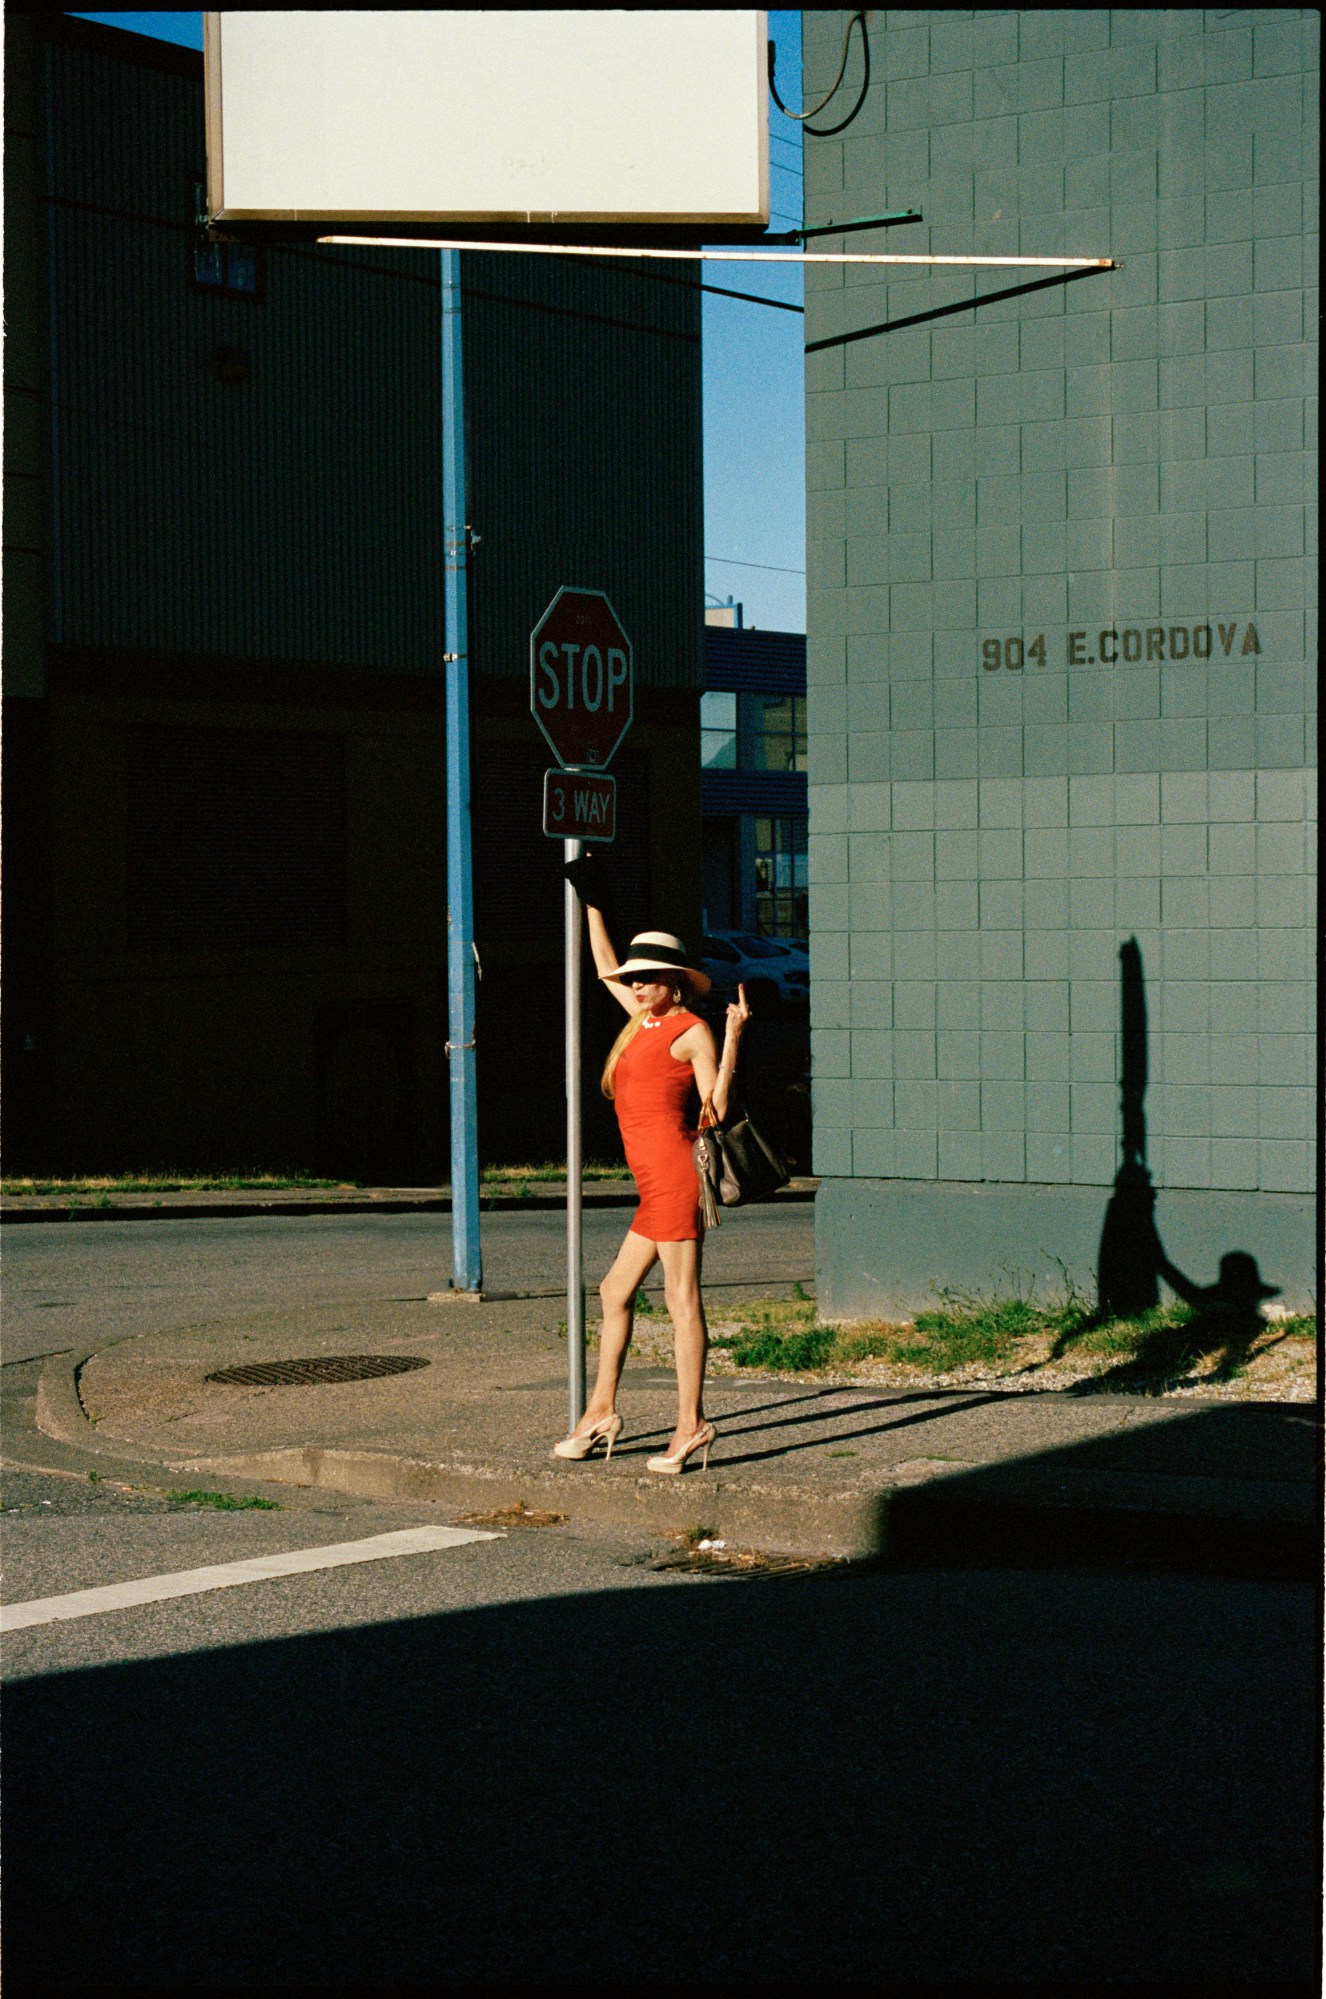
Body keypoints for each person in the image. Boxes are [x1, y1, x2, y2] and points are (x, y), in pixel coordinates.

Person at [553, 861, 750, 1475]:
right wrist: (593, 900)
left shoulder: (690, 1031)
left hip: (675, 1178)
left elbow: (713, 1109)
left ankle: (691, 1426)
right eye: (633, 981)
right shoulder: (643, 1020)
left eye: (648, 979)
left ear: (675, 982)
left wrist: (735, 1035)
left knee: (681, 1300)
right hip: (651, 1184)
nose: (636, 987)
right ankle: (600, 1413)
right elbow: (603, 958)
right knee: (615, 1292)